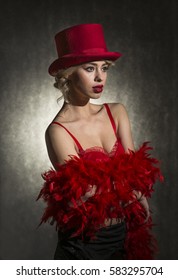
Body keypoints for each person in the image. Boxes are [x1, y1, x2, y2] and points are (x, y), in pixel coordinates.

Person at [37, 23, 163, 260]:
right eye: (89, 68)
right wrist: (132, 191)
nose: (100, 77)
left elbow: (135, 172)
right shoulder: (58, 131)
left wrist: (133, 189)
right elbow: (87, 192)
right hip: (85, 244)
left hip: (125, 234)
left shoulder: (117, 112)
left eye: (104, 68)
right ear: (67, 73)